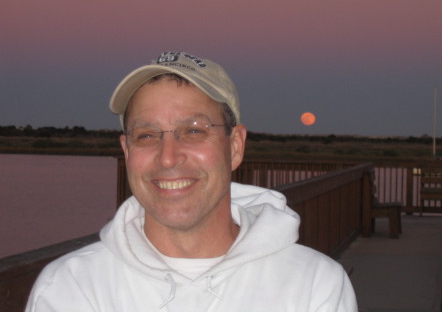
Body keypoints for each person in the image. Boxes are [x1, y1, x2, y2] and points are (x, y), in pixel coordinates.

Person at [25, 51, 357, 311]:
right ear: (126, 151)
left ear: (234, 146)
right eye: (146, 135)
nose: (168, 157)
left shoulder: (314, 285)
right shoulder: (71, 287)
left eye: (194, 131)